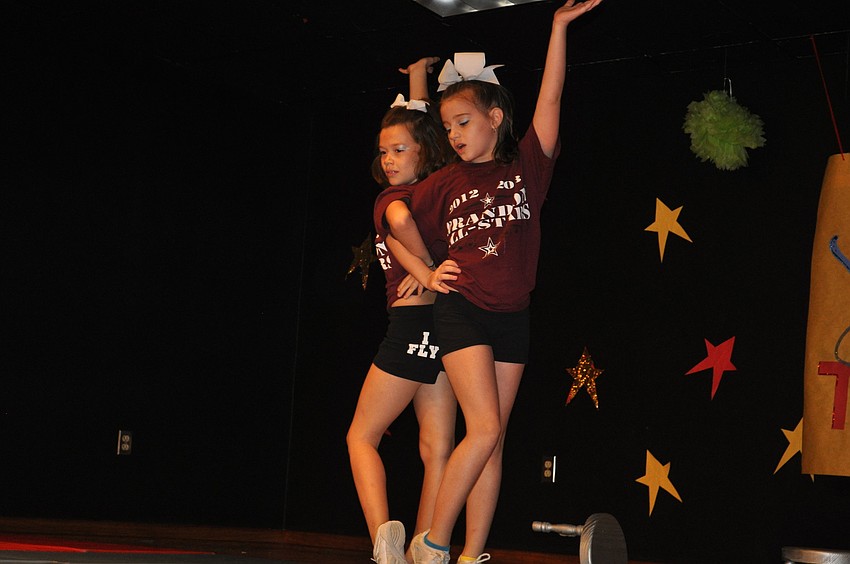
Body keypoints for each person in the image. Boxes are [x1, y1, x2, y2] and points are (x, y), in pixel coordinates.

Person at [387, 2, 604, 562]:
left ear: (496, 118)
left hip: (514, 315)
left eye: (463, 123)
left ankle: (471, 554)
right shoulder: (442, 185)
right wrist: (426, 271)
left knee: (494, 438)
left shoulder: (526, 167)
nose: (454, 135)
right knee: (481, 428)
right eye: (447, 128)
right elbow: (394, 226)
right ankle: (432, 543)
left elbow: (550, 100)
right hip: (462, 310)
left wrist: (557, 29)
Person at [346, 57, 458, 564]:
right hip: (446, 329)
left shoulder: (392, 200)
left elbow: (396, 222)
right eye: (383, 152)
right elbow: (424, 126)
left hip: (411, 322)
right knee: (437, 449)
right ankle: (428, 547)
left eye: (398, 150)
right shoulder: (438, 193)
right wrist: (417, 81)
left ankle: (383, 539)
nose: (388, 160)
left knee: (361, 436)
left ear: (421, 153)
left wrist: (427, 269)